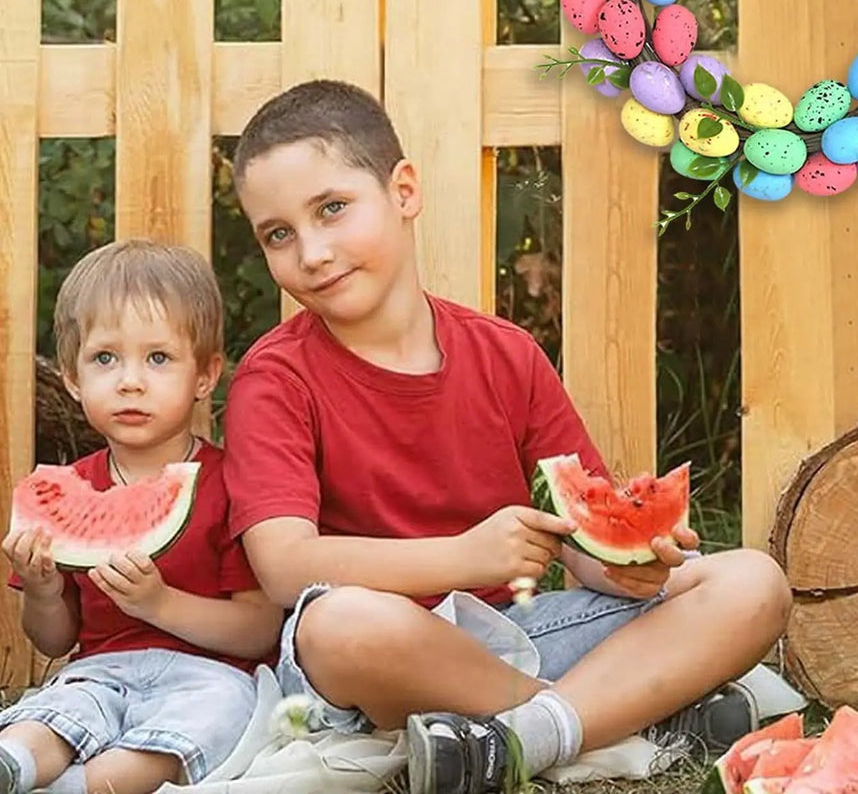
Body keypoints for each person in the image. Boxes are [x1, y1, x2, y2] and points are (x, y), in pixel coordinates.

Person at [222, 80, 793, 794]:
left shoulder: (506, 353)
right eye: (279, 233)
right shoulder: (274, 379)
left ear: (403, 191)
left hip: (522, 636)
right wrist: (464, 556)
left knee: (752, 583)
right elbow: (285, 566)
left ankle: (519, 739)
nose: (311, 251)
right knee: (336, 625)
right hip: (386, 659)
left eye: (333, 209)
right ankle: (620, 713)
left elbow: (585, 547)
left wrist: (632, 564)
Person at [0, 240, 282, 794]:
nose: (130, 381)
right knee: (60, 709)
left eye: (158, 358)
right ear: (73, 378)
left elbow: (258, 630)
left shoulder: (231, 482)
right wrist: (42, 592)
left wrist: (160, 603)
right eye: (106, 358)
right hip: (100, 671)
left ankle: (80, 787)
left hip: (209, 674)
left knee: (217, 714)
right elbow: (55, 641)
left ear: (205, 375)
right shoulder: (65, 490)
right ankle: (15, 763)